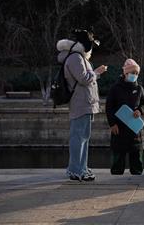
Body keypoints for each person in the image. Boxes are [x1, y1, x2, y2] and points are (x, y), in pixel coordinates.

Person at [57, 29, 108, 181]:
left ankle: (81, 167)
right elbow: (84, 79)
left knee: (83, 137)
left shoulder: (78, 57)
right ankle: (76, 170)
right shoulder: (75, 58)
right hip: (80, 103)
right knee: (78, 137)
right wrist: (97, 72)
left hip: (85, 103)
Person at [105, 59, 144, 175]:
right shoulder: (115, 88)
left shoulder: (139, 89)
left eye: (136, 73)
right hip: (119, 128)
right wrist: (112, 124)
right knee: (117, 162)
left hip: (135, 129)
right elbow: (109, 107)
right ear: (125, 73)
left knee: (137, 163)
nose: (134, 75)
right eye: (132, 72)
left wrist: (140, 110)